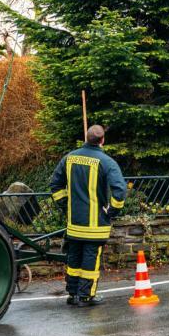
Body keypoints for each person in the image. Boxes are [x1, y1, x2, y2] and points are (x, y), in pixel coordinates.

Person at [50, 125, 127, 307]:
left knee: (74, 258)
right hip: (95, 226)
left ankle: (73, 294)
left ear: (86, 137)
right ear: (102, 140)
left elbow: (55, 185)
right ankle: (86, 296)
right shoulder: (106, 162)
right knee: (90, 260)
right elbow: (120, 191)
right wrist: (111, 211)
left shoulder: (69, 158)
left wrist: (66, 206)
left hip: (74, 223)